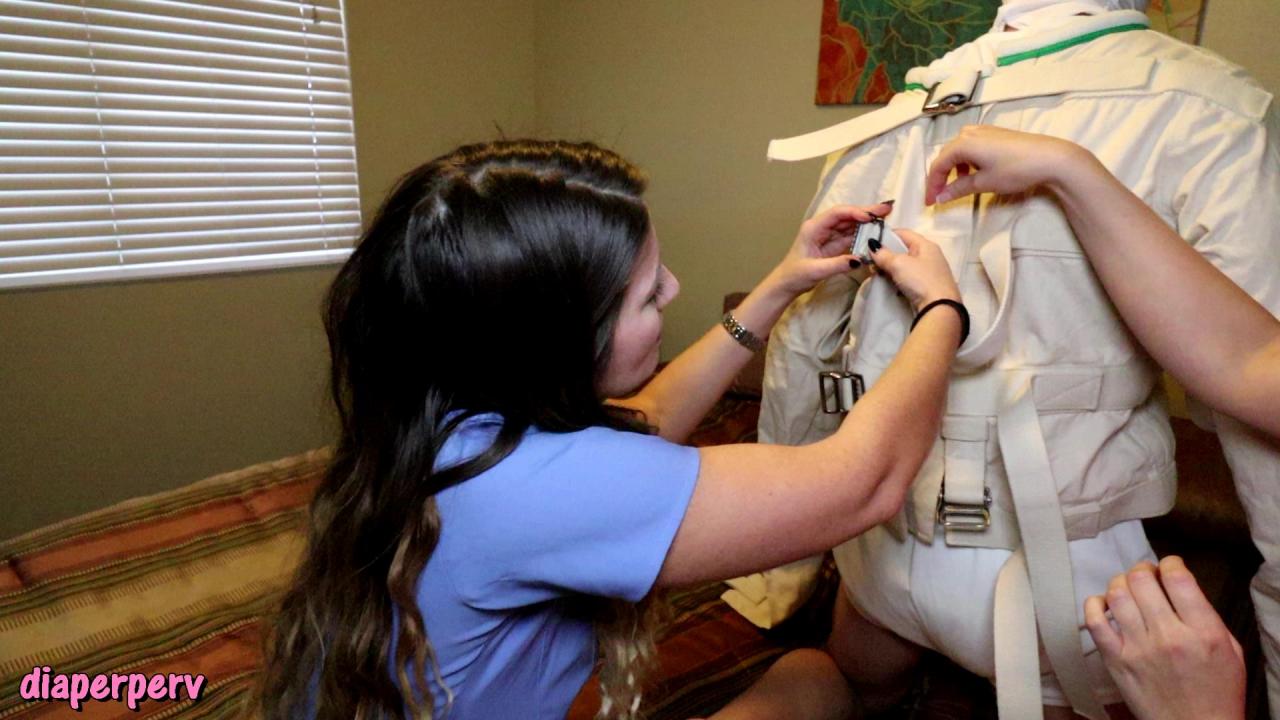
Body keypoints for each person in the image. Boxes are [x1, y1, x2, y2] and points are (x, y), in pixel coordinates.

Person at [249, 139, 965, 720]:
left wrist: (779, 285)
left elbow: (643, 426)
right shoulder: (536, 490)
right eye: (648, 294)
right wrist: (941, 312)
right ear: (561, 340)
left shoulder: (444, 414)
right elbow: (864, 484)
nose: (674, 289)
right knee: (813, 681)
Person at [739, 0, 1280, 716]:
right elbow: (1260, 400)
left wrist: (783, 567)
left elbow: (804, 343)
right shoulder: (1210, 107)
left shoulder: (906, 108)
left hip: (882, 554)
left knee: (849, 684)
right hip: (1068, 580)